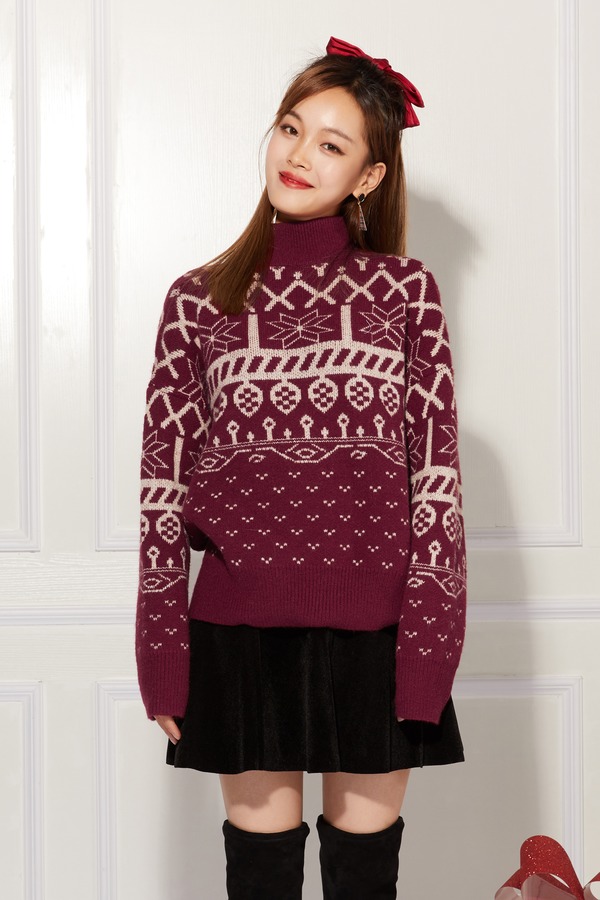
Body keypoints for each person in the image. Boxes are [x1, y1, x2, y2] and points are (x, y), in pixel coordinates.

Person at [135, 35, 467, 900]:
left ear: (368, 176)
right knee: (261, 881)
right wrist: (161, 653)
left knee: (364, 881)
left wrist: (429, 656)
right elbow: (161, 492)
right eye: (291, 128)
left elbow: (436, 486)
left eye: (331, 143)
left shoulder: (406, 294)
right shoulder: (197, 301)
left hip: (378, 633)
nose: (299, 154)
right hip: (238, 636)